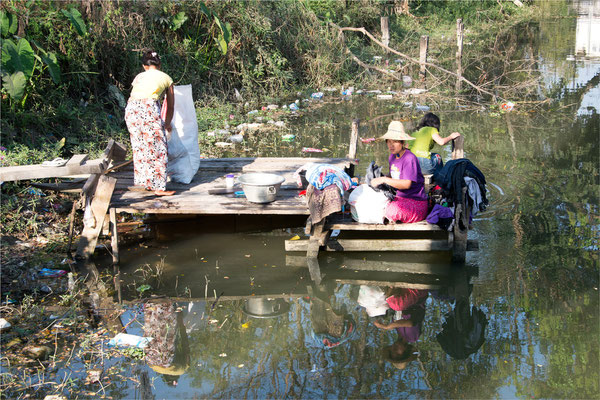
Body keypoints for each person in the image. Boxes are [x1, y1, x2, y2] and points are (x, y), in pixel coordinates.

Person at [125, 50, 175, 196]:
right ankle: (158, 187)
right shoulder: (166, 77)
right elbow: (170, 105)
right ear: (159, 64)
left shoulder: (139, 77)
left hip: (131, 109)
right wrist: (167, 123)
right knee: (158, 147)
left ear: (144, 66)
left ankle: (143, 183)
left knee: (140, 146)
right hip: (148, 108)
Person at [370, 121, 428, 223]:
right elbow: (393, 176)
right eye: (389, 141)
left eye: (395, 141)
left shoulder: (409, 158)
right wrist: (379, 179)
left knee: (391, 211)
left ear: (402, 142)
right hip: (399, 198)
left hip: (415, 202)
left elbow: (406, 184)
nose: (391, 145)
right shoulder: (392, 157)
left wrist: (384, 179)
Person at [374, 287, 429, 370]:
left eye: (392, 351)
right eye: (398, 353)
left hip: (403, 296)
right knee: (396, 305)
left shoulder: (398, 332)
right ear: (406, 351)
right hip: (417, 296)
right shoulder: (413, 337)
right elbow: (410, 323)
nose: (394, 350)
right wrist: (387, 326)